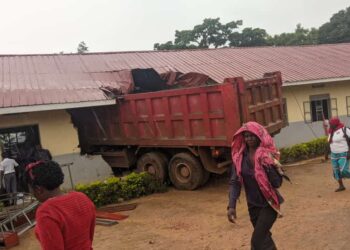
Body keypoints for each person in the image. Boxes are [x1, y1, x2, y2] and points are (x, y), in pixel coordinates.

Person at [227, 122, 284, 250]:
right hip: (253, 206)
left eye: (252, 135)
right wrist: (232, 206)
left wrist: (269, 166)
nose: (249, 138)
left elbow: (277, 183)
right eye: (246, 136)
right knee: (265, 240)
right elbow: (235, 182)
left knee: (256, 241)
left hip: (268, 205)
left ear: (259, 136)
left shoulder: (266, 156)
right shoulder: (240, 158)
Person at [25, 160, 96, 250]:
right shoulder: (82, 198)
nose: (32, 193)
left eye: (30, 189)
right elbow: (90, 237)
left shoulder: (46, 212)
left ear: (38, 189)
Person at [327, 117, 350, 192]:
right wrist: (326, 154)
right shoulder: (331, 131)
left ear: (335, 123)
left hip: (344, 152)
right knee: (336, 171)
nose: (330, 124)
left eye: (331, 123)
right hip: (333, 154)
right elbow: (329, 142)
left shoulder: (344, 129)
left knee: (343, 170)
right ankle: (341, 186)